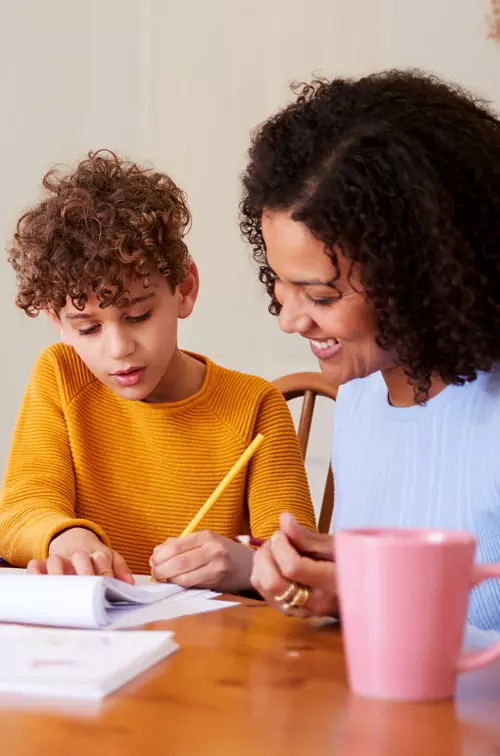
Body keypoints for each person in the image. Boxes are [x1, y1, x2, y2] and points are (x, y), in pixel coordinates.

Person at [240, 70, 500, 630]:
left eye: (321, 295)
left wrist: (374, 600)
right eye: (279, 283)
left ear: (420, 277)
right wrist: (335, 574)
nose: (288, 319)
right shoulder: (361, 395)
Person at [0, 150, 316, 589]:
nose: (119, 349)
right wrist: (66, 537)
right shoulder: (60, 374)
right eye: (88, 328)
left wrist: (244, 564)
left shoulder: (254, 406)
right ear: (58, 323)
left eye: (137, 316)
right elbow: (21, 510)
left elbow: (300, 558)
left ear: (184, 291)